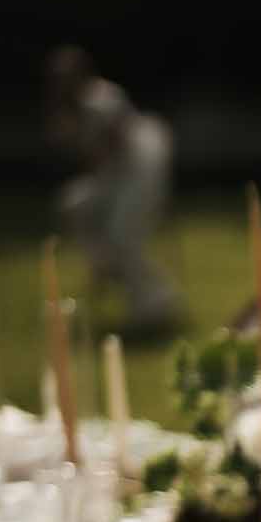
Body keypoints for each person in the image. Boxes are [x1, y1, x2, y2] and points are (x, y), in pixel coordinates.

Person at [46, 47, 182, 333]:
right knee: (73, 203)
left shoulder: (102, 99)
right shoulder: (71, 110)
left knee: (123, 235)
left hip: (139, 170)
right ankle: (103, 262)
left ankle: (155, 303)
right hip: (116, 175)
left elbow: (117, 149)